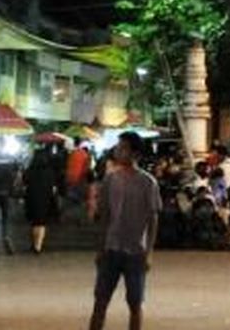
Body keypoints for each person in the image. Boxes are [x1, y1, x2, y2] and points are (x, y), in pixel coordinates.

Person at [87, 132, 161, 330]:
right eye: (118, 147)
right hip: (111, 248)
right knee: (100, 301)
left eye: (123, 148)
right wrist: (100, 247)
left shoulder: (148, 183)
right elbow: (105, 216)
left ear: (135, 153)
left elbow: (153, 218)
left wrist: (149, 252)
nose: (118, 151)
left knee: (135, 303)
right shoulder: (111, 180)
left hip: (136, 251)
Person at [25, 149, 60, 254]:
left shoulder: (30, 170)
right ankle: (38, 245)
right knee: (42, 223)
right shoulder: (50, 172)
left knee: (34, 222)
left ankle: (34, 243)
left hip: (32, 198)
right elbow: (53, 187)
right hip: (45, 199)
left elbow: (25, 182)